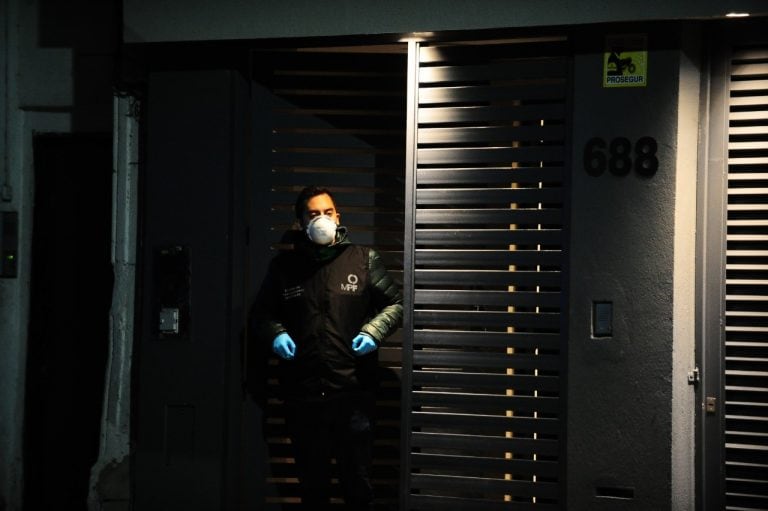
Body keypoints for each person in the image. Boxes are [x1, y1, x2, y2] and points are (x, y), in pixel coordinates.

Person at [250, 185, 403, 510]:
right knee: (312, 487)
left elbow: (395, 304)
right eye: (313, 214)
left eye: (327, 212)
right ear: (301, 222)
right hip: (303, 397)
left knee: (357, 485)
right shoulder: (284, 268)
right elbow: (261, 314)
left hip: (353, 395)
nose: (322, 219)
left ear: (338, 216)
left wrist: (374, 331)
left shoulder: (363, 259)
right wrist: (276, 333)